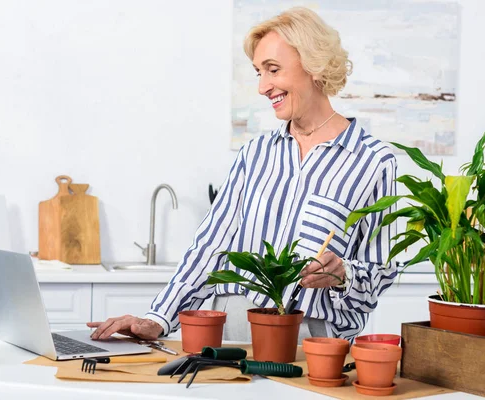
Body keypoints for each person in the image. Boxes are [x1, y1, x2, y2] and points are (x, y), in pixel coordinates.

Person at [88, 7, 397, 342]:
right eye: (258, 73)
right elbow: (211, 244)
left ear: (314, 65)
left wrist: (343, 274)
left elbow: (382, 270)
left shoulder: (374, 161)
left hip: (314, 337)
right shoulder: (256, 154)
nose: (263, 87)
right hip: (235, 324)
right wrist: (158, 318)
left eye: (273, 70)